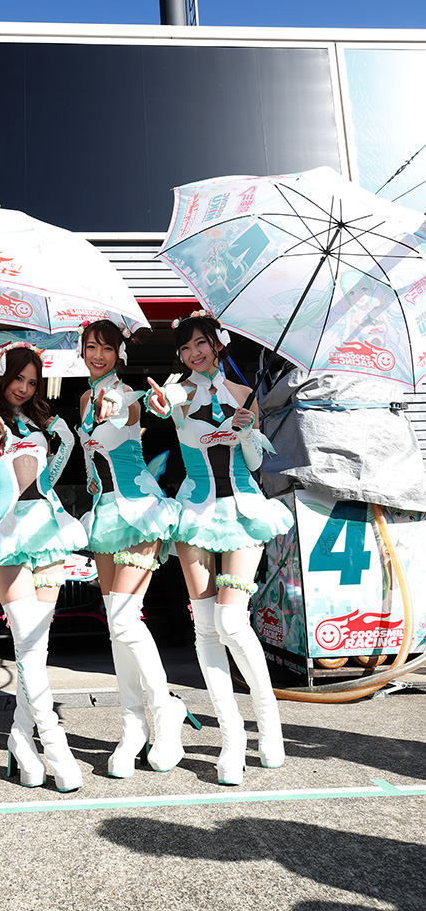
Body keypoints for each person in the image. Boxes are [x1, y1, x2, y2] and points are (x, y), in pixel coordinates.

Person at [146, 311, 294, 786]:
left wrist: (248, 430)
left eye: (201, 344)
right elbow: (160, 410)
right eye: (185, 347)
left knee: (232, 620)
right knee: (206, 629)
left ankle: (269, 725)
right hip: (194, 511)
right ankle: (232, 740)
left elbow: (254, 461)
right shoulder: (177, 393)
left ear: (218, 344)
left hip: (243, 509)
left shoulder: (244, 394)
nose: (193, 353)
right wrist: (159, 403)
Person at [0, 342, 87, 792]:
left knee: (37, 644)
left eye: (32, 382)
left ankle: (19, 735)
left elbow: (48, 474)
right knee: (28, 640)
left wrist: (64, 437)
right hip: (5, 531)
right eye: (18, 378)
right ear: (2, 376)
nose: (25, 388)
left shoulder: (37, 422)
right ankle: (55, 744)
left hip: (47, 527)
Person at [77, 319, 188, 780]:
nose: (97, 355)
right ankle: (132, 728)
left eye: (106, 348)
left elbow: (125, 414)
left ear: (120, 353)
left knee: (124, 619)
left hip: (139, 509)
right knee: (116, 626)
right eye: (90, 346)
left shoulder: (126, 395)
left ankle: (166, 714)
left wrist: (115, 407)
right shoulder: (83, 398)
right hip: (105, 513)